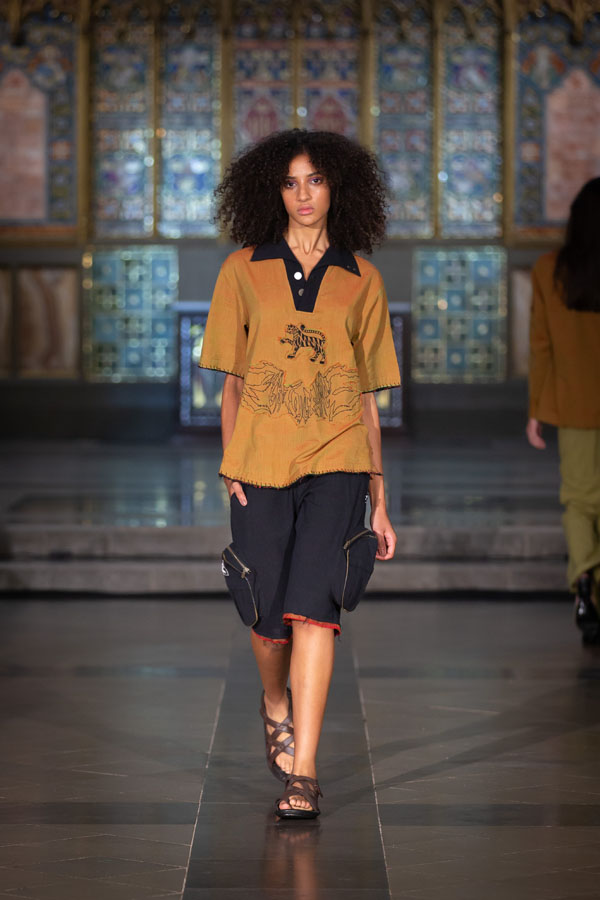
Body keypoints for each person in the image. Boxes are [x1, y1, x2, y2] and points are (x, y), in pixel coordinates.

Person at [198, 128, 401, 818]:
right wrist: (231, 465)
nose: (303, 194)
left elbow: (369, 401)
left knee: (317, 609)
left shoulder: (362, 279)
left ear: (338, 186)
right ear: (271, 190)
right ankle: (274, 700)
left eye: (315, 180)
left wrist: (379, 497)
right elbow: (230, 384)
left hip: (339, 462)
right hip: (259, 462)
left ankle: (304, 773)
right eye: (290, 182)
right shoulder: (242, 270)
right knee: (266, 618)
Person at [527, 177, 600, 645]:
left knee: (578, 500)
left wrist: (537, 408)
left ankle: (584, 580)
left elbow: (541, 345)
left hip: (574, 404)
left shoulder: (549, 270)